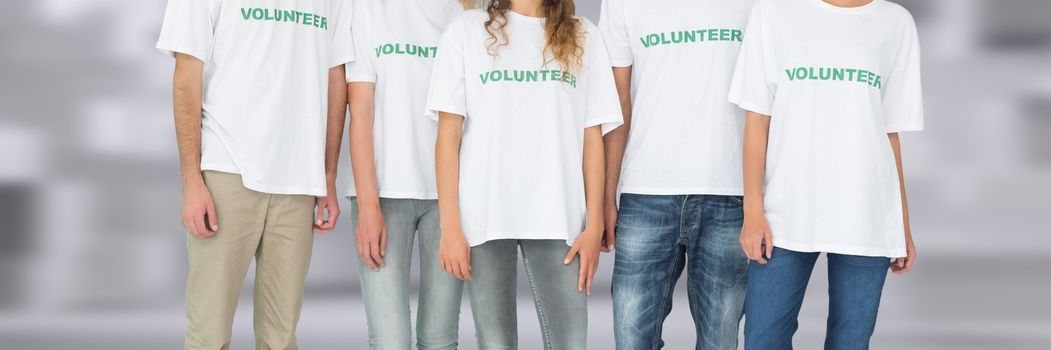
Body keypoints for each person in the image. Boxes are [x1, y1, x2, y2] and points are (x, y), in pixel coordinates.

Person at [425, 0, 623, 348]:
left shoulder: (584, 34)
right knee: (496, 343)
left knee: (570, 342)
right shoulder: (466, 31)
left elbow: (592, 138)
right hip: (484, 218)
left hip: (558, 217)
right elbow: (448, 135)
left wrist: (594, 227)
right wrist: (450, 226)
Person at [156, 0, 353, 348]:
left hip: (299, 179)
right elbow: (187, 73)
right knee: (209, 335)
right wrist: (191, 181)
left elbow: (335, 75)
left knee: (281, 338)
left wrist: (328, 174)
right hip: (227, 171)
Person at [728, 0, 923, 348]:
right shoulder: (774, 13)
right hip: (785, 213)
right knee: (762, 340)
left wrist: (901, 224)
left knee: (851, 342)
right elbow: (757, 119)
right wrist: (752, 211)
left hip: (866, 214)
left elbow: (890, 133)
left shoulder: (896, 22)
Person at [597, 0, 755, 348]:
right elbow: (616, 101)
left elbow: (767, 99)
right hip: (644, 192)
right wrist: (607, 197)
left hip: (729, 192)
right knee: (631, 340)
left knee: (720, 341)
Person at [337, 0, 475, 349]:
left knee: (440, 338)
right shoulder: (368, 9)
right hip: (383, 194)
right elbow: (361, 113)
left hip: (449, 200)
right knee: (390, 341)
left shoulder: (466, 12)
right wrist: (368, 207)